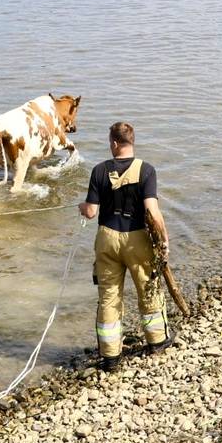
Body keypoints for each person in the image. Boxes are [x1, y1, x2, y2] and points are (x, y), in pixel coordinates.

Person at [78, 121, 172, 372]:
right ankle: (157, 342)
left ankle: (110, 357)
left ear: (115, 143)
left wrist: (82, 207)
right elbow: (153, 211)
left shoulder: (99, 170)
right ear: (132, 142)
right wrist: (164, 242)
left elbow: (90, 212)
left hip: (107, 238)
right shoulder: (147, 171)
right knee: (148, 289)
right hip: (137, 239)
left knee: (109, 297)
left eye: (110, 142)